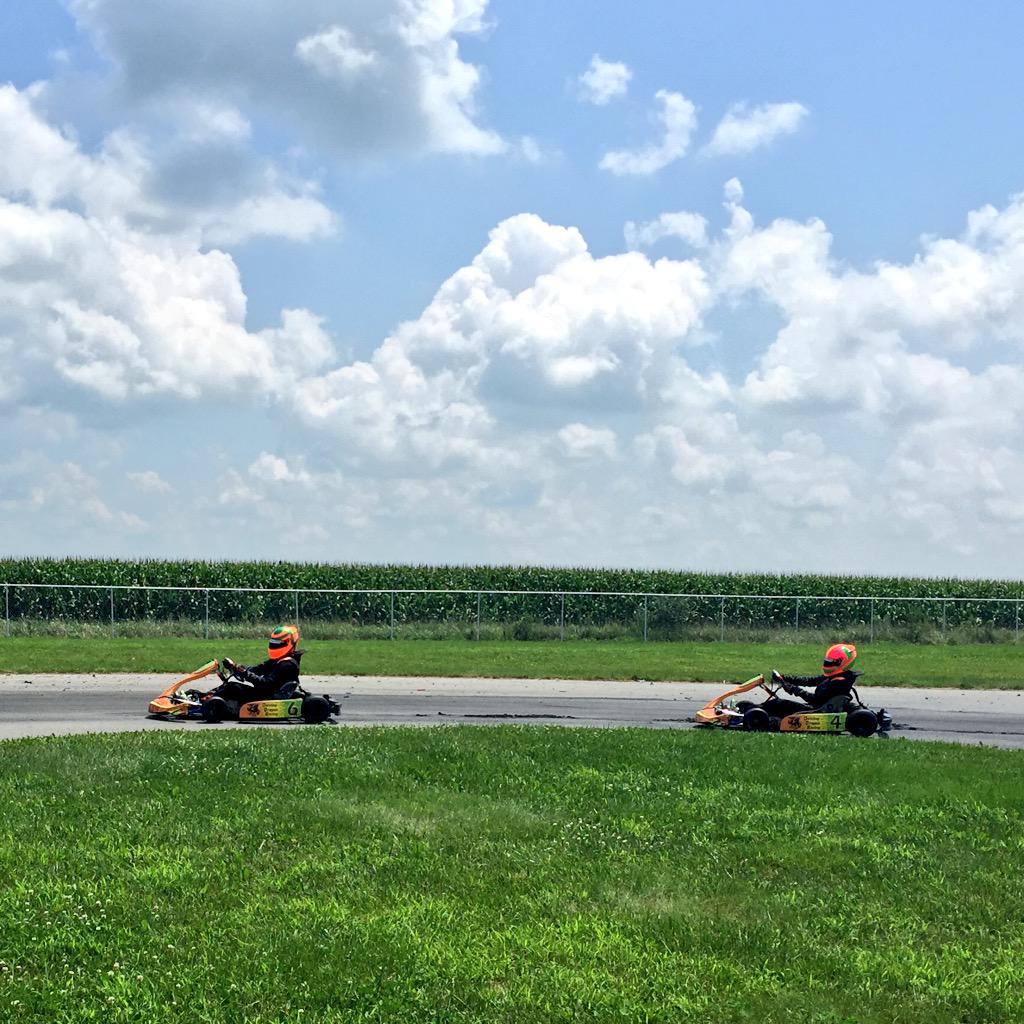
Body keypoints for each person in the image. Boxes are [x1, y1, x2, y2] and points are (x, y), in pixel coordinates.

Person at [757, 642, 862, 718]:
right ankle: (752, 710)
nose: (827, 664)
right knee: (777, 704)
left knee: (778, 704)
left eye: (831, 662)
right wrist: (785, 678)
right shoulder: (834, 676)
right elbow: (808, 681)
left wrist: (794, 689)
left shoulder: (840, 683)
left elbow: (814, 699)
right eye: (827, 661)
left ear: (843, 663)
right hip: (816, 707)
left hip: (817, 711)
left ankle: (753, 713)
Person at [215, 624, 304, 703]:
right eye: (273, 643)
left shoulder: (287, 665)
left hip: (270, 697)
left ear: (289, 643)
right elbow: (256, 669)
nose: (274, 646)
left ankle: (212, 704)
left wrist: (246, 674)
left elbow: (266, 684)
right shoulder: (277, 661)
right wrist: (235, 667)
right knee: (230, 686)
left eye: (277, 644)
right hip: (265, 693)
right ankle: (209, 698)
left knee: (233, 688)